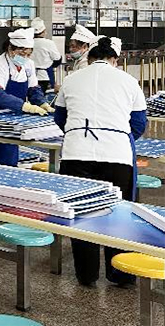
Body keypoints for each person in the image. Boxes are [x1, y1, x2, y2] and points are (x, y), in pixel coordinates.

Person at [54, 36, 146, 288]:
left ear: (90, 57)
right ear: (114, 59)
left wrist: (78, 135)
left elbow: (60, 117)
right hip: (117, 157)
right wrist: (115, 136)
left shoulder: (71, 80)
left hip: (76, 155)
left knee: (82, 214)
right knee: (119, 214)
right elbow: (139, 123)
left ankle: (86, 275)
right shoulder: (128, 80)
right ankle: (121, 273)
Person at [0, 28, 52, 167]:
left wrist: (43, 103)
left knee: (7, 159)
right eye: (21, 53)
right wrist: (26, 106)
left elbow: (33, 89)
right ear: (11, 49)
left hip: (12, 119)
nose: (25, 57)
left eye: (28, 54)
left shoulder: (28, 65)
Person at [30, 17, 62, 92]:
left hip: (30, 76)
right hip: (45, 76)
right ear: (43, 31)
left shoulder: (28, 42)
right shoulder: (48, 43)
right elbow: (57, 58)